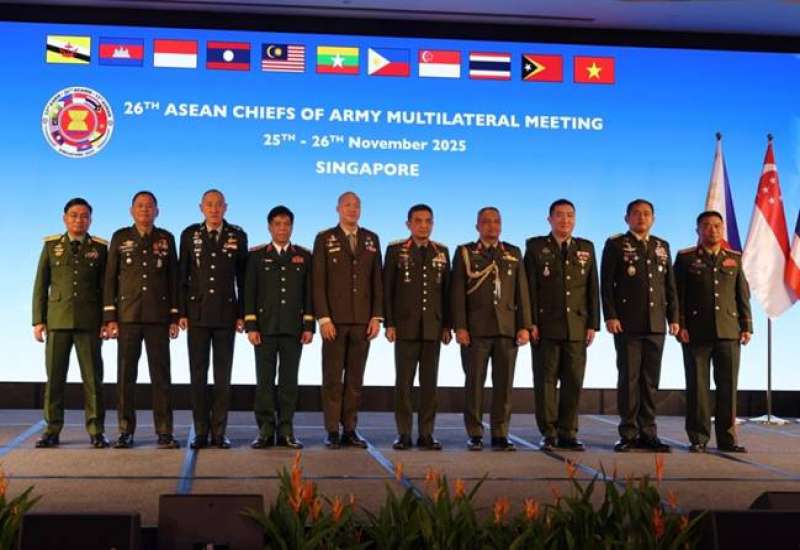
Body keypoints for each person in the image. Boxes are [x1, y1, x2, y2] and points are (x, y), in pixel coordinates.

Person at [104, 191, 180, 449]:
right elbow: (110, 278)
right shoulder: (120, 237)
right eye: (140, 206)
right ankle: (125, 431)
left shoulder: (166, 238)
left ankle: (165, 431)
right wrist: (110, 317)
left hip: (158, 317)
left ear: (157, 211)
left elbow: (173, 279)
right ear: (131, 210)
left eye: (149, 206)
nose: (144, 210)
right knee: (126, 377)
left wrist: (174, 315)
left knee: (161, 377)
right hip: (128, 317)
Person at [601, 199, 679, 453]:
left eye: (646, 214)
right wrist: (610, 316)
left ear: (653, 219)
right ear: (627, 218)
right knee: (629, 379)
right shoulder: (616, 244)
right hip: (627, 324)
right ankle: (628, 433)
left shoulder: (661, 246)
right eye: (636, 214)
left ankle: (649, 433)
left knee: (650, 381)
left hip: (656, 324)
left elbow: (670, 286)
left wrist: (674, 318)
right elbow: (606, 284)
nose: (641, 218)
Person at [451, 206, 531, 451]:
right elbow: (457, 293)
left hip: (507, 329)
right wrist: (460, 327)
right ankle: (475, 433)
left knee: (504, 386)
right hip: (475, 330)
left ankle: (500, 434)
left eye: (496, 221)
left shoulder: (513, 252)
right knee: (474, 384)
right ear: (477, 226)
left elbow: (522, 292)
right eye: (486, 221)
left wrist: (524, 326)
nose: (492, 226)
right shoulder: (465, 252)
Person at [32, 198, 109, 448]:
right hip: (58, 321)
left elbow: (105, 288)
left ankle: (96, 431)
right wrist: (38, 320)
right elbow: (41, 285)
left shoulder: (100, 248)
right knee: (54, 380)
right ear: (64, 218)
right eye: (74, 215)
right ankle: (52, 430)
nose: (79, 220)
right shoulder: (51, 246)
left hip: (89, 322)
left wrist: (107, 320)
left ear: (90, 220)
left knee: (93, 380)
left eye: (84, 216)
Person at [524, 199, 599, 452]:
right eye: (559, 215)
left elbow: (592, 288)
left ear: (574, 219)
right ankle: (549, 432)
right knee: (545, 382)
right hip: (545, 326)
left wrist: (593, 323)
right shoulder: (535, 246)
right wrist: (530, 322)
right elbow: (529, 288)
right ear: (550, 219)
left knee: (573, 382)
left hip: (577, 326)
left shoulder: (586, 247)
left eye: (569, 215)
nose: (565, 220)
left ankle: (568, 432)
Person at [674, 210, 752, 453]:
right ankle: (698, 438)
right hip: (695, 332)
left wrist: (747, 325)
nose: (712, 230)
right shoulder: (686, 258)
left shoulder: (734, 258)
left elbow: (742, 294)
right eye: (706, 225)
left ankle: (728, 439)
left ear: (723, 229)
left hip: (729, 331)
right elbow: (677, 295)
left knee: (728, 387)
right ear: (698, 230)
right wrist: (681, 325)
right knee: (698, 387)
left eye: (717, 226)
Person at [312, 191, 383, 449]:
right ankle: (332, 430)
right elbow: (318, 282)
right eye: (347, 205)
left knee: (355, 380)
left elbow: (377, 281)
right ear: (338, 209)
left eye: (356, 206)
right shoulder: (324, 238)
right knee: (332, 379)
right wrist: (323, 318)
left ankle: (350, 429)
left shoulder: (371, 239)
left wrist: (376, 317)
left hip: (362, 321)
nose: (352, 209)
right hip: (334, 321)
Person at [178, 189, 247, 449]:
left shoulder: (237, 235)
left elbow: (243, 279)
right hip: (197, 314)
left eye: (218, 205)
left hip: (226, 315)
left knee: (222, 376)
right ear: (201, 208)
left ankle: (219, 432)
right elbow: (182, 276)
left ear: (225, 207)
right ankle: (200, 431)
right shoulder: (189, 234)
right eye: (209, 204)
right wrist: (181, 312)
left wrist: (242, 314)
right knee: (198, 375)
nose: (214, 209)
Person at [383, 204, 451, 451]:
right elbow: (387, 289)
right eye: (418, 221)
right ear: (408, 224)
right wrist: (390, 323)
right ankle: (403, 433)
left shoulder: (441, 251)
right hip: (405, 326)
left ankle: (426, 433)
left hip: (433, 327)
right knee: (404, 384)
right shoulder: (395, 250)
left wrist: (447, 325)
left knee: (429, 385)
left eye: (428, 221)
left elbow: (447, 292)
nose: (423, 225)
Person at [245, 205, 313, 450]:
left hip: (293, 328)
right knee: (264, 382)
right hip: (264, 328)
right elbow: (249, 291)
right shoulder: (256, 256)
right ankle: (265, 430)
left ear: (292, 227)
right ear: (269, 227)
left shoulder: (304, 256)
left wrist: (308, 325)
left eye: (286, 224)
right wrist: (251, 325)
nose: (282, 228)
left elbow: (309, 293)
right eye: (277, 224)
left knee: (288, 382)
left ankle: (286, 430)